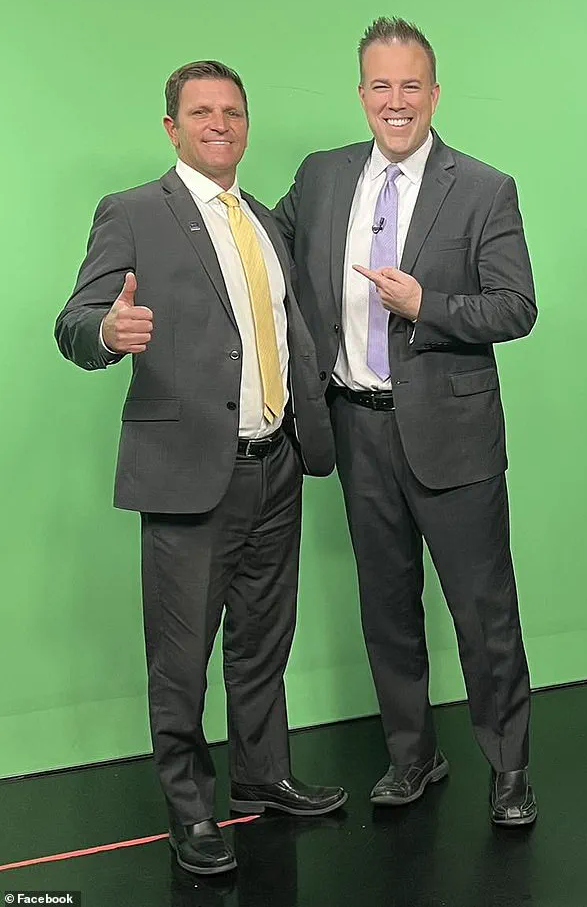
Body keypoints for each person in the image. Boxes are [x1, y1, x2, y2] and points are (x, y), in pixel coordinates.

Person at [55, 60, 347, 877]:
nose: (219, 123)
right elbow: (75, 321)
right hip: (187, 475)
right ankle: (190, 809)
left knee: (263, 638)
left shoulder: (263, 220)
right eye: (201, 111)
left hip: (276, 462)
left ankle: (265, 773)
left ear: (245, 124)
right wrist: (106, 333)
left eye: (232, 111)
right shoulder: (132, 212)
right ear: (172, 127)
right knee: (180, 660)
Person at [274, 18, 538, 826]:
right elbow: (261, 243)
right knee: (386, 607)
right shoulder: (321, 176)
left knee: (483, 610)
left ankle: (509, 767)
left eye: (411, 86)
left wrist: (429, 304)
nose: (396, 101)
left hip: (453, 436)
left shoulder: (484, 187)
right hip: (357, 428)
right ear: (362, 95)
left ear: (434, 93)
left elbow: (516, 306)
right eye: (381, 86)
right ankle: (412, 756)